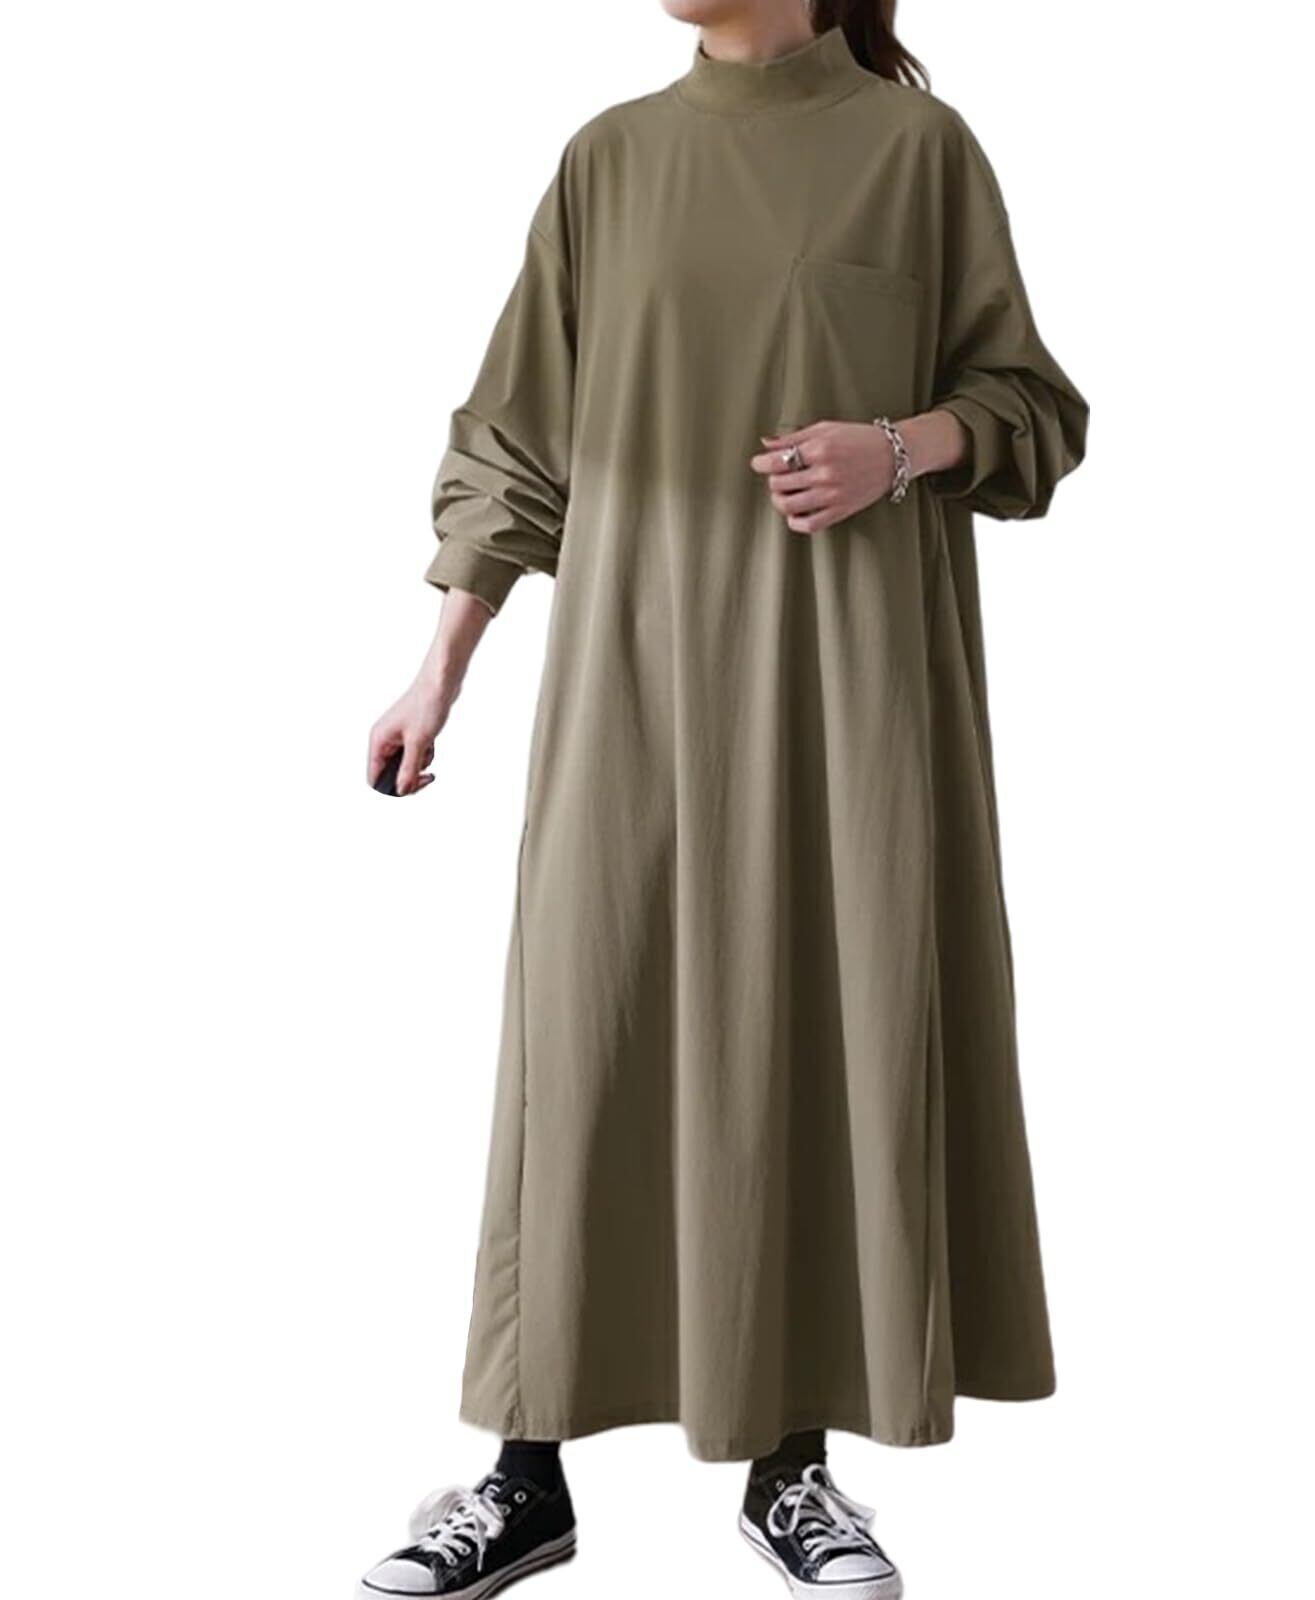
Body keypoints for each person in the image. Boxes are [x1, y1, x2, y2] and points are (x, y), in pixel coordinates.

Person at [357, 2, 1088, 1596]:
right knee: (582, 1040)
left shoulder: (917, 152)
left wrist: (902, 445)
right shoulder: (609, 162)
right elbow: (518, 439)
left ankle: (790, 1471)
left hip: (846, 698)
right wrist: (438, 668)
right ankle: (524, 1479)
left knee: (814, 1032)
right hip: (628, 684)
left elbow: (1033, 408)